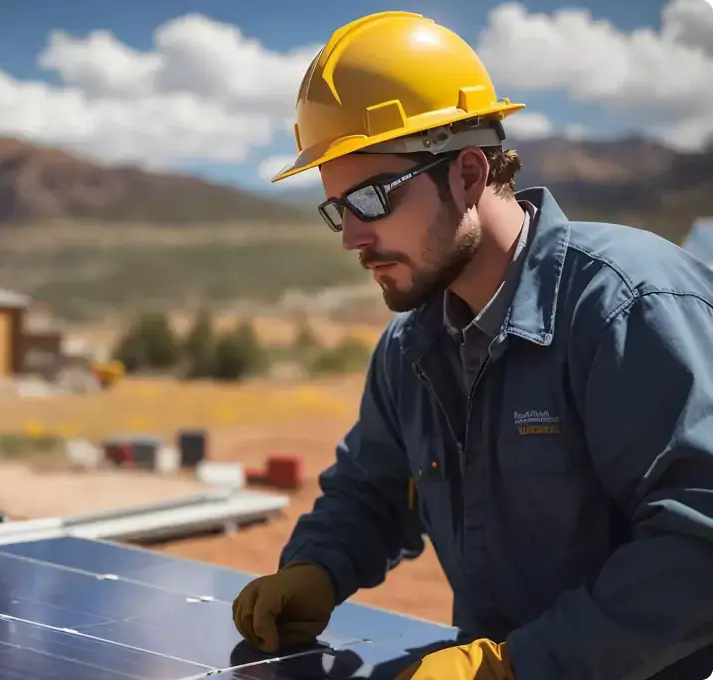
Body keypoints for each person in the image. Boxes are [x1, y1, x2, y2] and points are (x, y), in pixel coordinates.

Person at [231, 10, 713, 680]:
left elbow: (698, 544)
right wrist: (318, 566)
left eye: (371, 198)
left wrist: (515, 665)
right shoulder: (412, 349)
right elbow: (372, 489)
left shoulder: (625, 308)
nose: (351, 237)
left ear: (466, 173)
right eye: (338, 208)